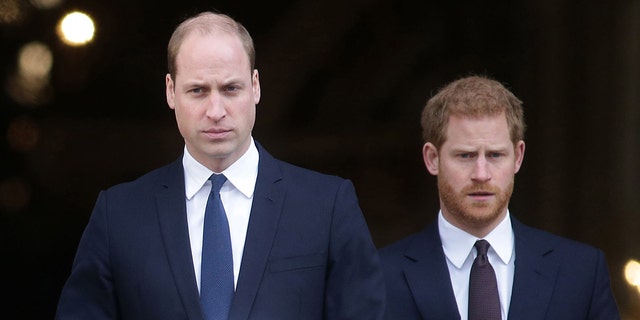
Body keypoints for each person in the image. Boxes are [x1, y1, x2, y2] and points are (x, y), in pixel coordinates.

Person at [56, 11, 385, 320]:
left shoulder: (327, 206)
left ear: (255, 86)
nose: (216, 110)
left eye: (231, 89)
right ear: (171, 91)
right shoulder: (119, 215)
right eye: (197, 90)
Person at [378, 75, 620, 320]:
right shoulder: (377, 277)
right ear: (432, 158)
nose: (481, 174)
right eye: (465, 156)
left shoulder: (581, 273)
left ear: (518, 156)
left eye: (495, 155)